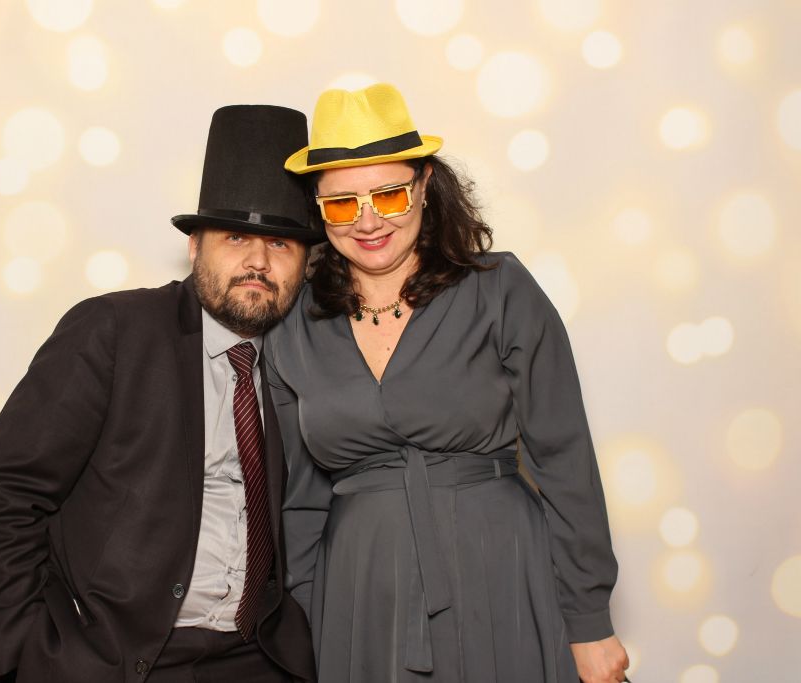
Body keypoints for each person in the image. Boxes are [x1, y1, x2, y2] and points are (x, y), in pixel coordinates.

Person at [266, 83, 630, 683]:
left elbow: (565, 458)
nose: (368, 221)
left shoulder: (500, 289)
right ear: (317, 207)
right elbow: (299, 500)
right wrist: (303, 628)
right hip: (358, 592)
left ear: (425, 185)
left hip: (500, 567)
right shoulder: (294, 326)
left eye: (389, 194)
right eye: (342, 204)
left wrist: (589, 619)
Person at [0, 104, 325, 683]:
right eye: (235, 237)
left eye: (280, 244)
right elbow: (3, 494)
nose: (257, 261)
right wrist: (26, 658)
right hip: (122, 662)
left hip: (258, 658)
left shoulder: (307, 361)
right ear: (195, 247)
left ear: (305, 262)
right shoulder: (114, 332)